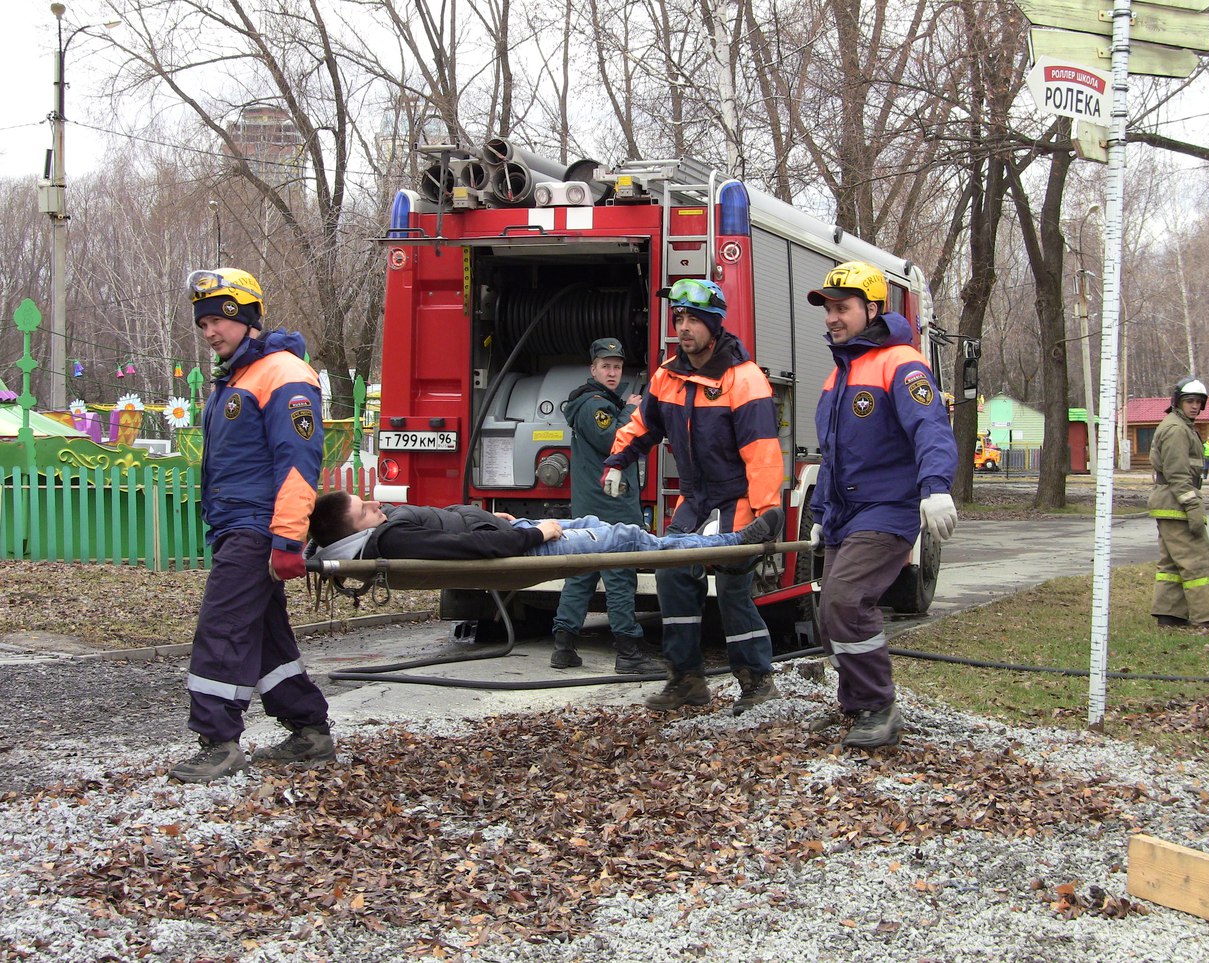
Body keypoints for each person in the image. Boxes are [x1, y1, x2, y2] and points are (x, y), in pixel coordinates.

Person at [169, 268, 333, 784]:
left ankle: (218, 742)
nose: (210, 331)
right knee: (264, 637)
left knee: (222, 629)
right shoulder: (234, 378)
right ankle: (310, 731)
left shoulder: (283, 374)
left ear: (246, 319)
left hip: (257, 528)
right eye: (204, 324)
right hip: (237, 525)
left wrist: (287, 538)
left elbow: (298, 464)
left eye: (218, 319)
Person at [602, 278, 785, 716]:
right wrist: (616, 461)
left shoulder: (744, 380)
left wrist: (766, 512)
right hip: (696, 500)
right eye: (678, 318)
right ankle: (686, 679)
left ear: (713, 324)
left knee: (733, 588)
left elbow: (761, 453)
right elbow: (643, 425)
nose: (682, 327)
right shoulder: (669, 375)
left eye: (692, 319)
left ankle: (757, 680)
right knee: (672, 575)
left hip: (735, 499)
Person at [803, 260, 959, 750]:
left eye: (842, 308)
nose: (832, 317)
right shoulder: (842, 371)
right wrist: (819, 513)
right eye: (828, 308)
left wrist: (935, 487)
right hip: (844, 513)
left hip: (887, 509)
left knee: (847, 601)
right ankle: (857, 704)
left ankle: (877, 707)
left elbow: (930, 428)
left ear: (872, 308)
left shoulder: (901, 363)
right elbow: (834, 451)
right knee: (831, 613)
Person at [549, 338, 663, 674]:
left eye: (617, 367)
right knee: (620, 577)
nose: (613, 372)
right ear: (593, 369)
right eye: (606, 366)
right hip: (609, 507)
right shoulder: (594, 405)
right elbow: (613, 440)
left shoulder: (599, 402)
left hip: (595, 505)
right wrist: (631, 410)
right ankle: (628, 652)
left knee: (582, 576)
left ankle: (564, 646)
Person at [306, 490, 783, 561]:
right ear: (355, 532)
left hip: (507, 530)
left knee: (602, 522)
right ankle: (727, 544)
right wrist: (537, 533)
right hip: (521, 547)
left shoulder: (384, 530)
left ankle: (704, 543)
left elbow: (457, 526)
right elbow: (467, 548)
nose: (376, 505)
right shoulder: (392, 537)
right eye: (365, 509)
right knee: (626, 537)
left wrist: (495, 517)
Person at [1149, 377, 1209, 628]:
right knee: (1197, 559)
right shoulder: (1176, 429)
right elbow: (1178, 474)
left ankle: (1169, 615)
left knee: (1172, 562)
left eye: (1198, 402)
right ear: (1177, 402)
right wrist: (1192, 505)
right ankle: (1208, 617)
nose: (1194, 406)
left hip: (1169, 503)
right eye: (1189, 401)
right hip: (1177, 504)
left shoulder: (1180, 425)